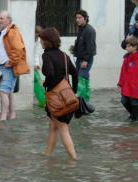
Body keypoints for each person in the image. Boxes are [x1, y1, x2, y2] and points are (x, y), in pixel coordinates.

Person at [41, 27, 78, 161]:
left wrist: (46, 83)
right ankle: (47, 155)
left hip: (56, 100)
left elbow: (50, 73)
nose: (40, 41)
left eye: (42, 39)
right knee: (53, 127)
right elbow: (75, 73)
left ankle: (73, 159)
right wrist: (72, 90)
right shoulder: (64, 55)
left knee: (63, 129)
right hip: (65, 98)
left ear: (47, 41)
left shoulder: (46, 55)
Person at [0, 10, 30, 121]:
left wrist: (11, 62)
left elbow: (18, 49)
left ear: (9, 20)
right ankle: (12, 115)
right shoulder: (4, 31)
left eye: (2, 18)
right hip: (2, 66)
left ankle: (3, 118)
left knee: (3, 91)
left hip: (7, 67)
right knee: (8, 92)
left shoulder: (12, 32)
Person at [118, 36, 138, 122]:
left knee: (134, 103)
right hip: (127, 85)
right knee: (124, 101)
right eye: (126, 46)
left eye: (128, 46)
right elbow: (123, 71)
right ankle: (134, 115)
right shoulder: (126, 58)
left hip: (136, 86)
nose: (126, 48)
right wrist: (120, 83)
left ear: (135, 47)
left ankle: (134, 119)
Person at [72, 9, 96, 102]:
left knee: (82, 78)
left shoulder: (89, 30)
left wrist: (86, 60)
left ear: (85, 18)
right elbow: (81, 43)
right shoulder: (81, 28)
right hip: (79, 58)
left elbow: (90, 47)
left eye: (80, 18)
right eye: (76, 18)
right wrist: (74, 49)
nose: (77, 20)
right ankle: (85, 100)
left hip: (86, 59)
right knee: (82, 78)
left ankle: (81, 100)